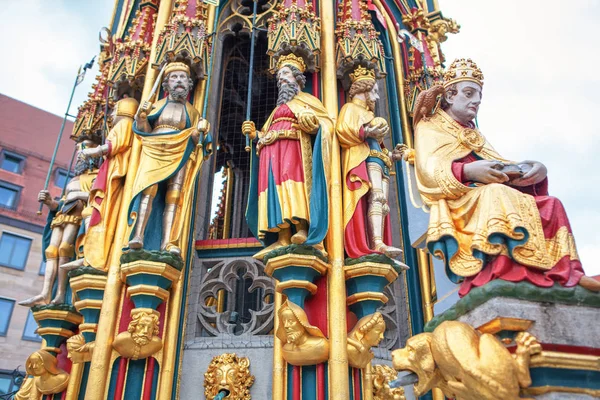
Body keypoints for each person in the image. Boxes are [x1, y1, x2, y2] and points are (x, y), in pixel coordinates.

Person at [413, 58, 600, 296]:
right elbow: (429, 171)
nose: (476, 102)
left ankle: (568, 273)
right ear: (449, 96)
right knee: (496, 192)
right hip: (461, 198)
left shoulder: (471, 132)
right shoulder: (430, 127)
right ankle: (501, 269)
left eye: (478, 97)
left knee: (552, 204)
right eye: (468, 94)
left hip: (484, 194)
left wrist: (534, 169)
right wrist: (469, 171)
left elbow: (498, 161)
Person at [243, 53, 333, 258]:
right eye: (279, 76)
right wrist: (254, 134)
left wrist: (312, 122)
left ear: (297, 78)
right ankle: (282, 237)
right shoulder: (277, 109)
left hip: (292, 149)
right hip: (271, 153)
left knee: (294, 186)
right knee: (275, 192)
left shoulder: (308, 101)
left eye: (285, 74)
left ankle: (302, 229)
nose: (281, 78)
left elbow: (326, 124)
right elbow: (266, 132)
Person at [128, 61, 210, 255]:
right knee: (149, 190)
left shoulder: (192, 111)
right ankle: (138, 235)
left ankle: (167, 241)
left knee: (174, 195)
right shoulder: (156, 106)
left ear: (189, 84)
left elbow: (197, 142)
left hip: (180, 151)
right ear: (166, 84)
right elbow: (144, 132)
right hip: (154, 148)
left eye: (183, 77)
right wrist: (141, 117)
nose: (179, 81)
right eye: (174, 77)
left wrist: (201, 131)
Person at [19, 141, 99, 306]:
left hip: (76, 217)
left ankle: (61, 294)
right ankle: (45, 293)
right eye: (78, 156)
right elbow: (62, 203)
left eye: (82, 155)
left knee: (64, 249)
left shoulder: (97, 176)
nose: (78, 159)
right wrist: (50, 202)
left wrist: (77, 195)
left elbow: (97, 197)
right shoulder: (73, 179)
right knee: (51, 250)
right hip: (61, 217)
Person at [336, 66, 404, 259]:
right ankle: (377, 243)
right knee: (376, 197)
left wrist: (392, 155)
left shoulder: (371, 116)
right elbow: (343, 130)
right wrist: (365, 132)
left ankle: (379, 241)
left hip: (379, 160)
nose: (377, 96)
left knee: (384, 204)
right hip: (365, 161)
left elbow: (376, 145)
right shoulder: (351, 109)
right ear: (363, 90)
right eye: (373, 91)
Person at [64, 97, 138, 271]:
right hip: (110, 173)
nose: (112, 114)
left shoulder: (124, 124)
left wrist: (91, 152)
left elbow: (112, 146)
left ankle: (94, 258)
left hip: (114, 175)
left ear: (124, 109)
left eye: (115, 110)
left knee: (102, 213)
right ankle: (88, 256)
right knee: (96, 212)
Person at [276, 299, 329, 366]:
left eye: (291, 321)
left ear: (302, 323)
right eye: (284, 322)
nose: (286, 326)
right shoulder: (286, 349)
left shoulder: (320, 344)